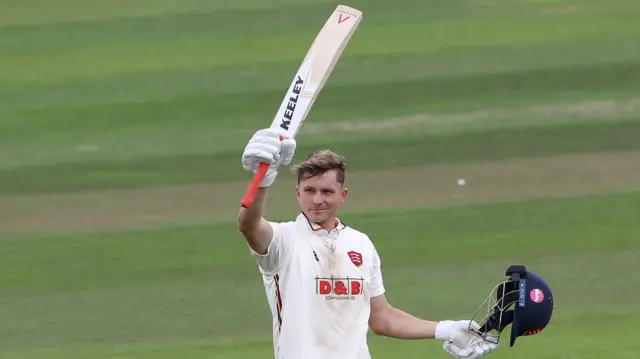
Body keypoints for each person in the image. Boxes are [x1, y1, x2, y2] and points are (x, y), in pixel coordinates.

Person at [237, 128, 499, 359]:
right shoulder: (283, 240)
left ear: (343, 196)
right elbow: (249, 224)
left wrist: (448, 329)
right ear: (298, 193)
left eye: (327, 192)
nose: (317, 199)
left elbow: (381, 318)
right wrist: (263, 180)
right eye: (309, 191)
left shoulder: (360, 244)